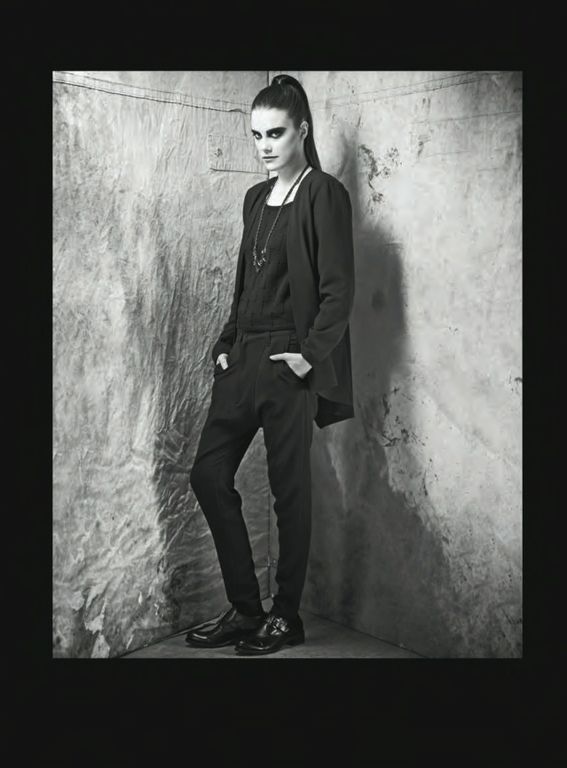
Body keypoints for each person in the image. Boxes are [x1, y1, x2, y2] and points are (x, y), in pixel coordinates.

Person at [185, 74, 355, 655]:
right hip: (243, 358)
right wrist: (226, 342)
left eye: (275, 133)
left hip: (288, 360)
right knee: (208, 475)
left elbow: (338, 290)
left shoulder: (324, 193)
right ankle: (244, 609)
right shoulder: (254, 199)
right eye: (256, 135)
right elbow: (246, 285)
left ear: (301, 130)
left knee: (290, 494)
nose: (264, 146)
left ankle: (285, 617)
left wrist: (308, 357)